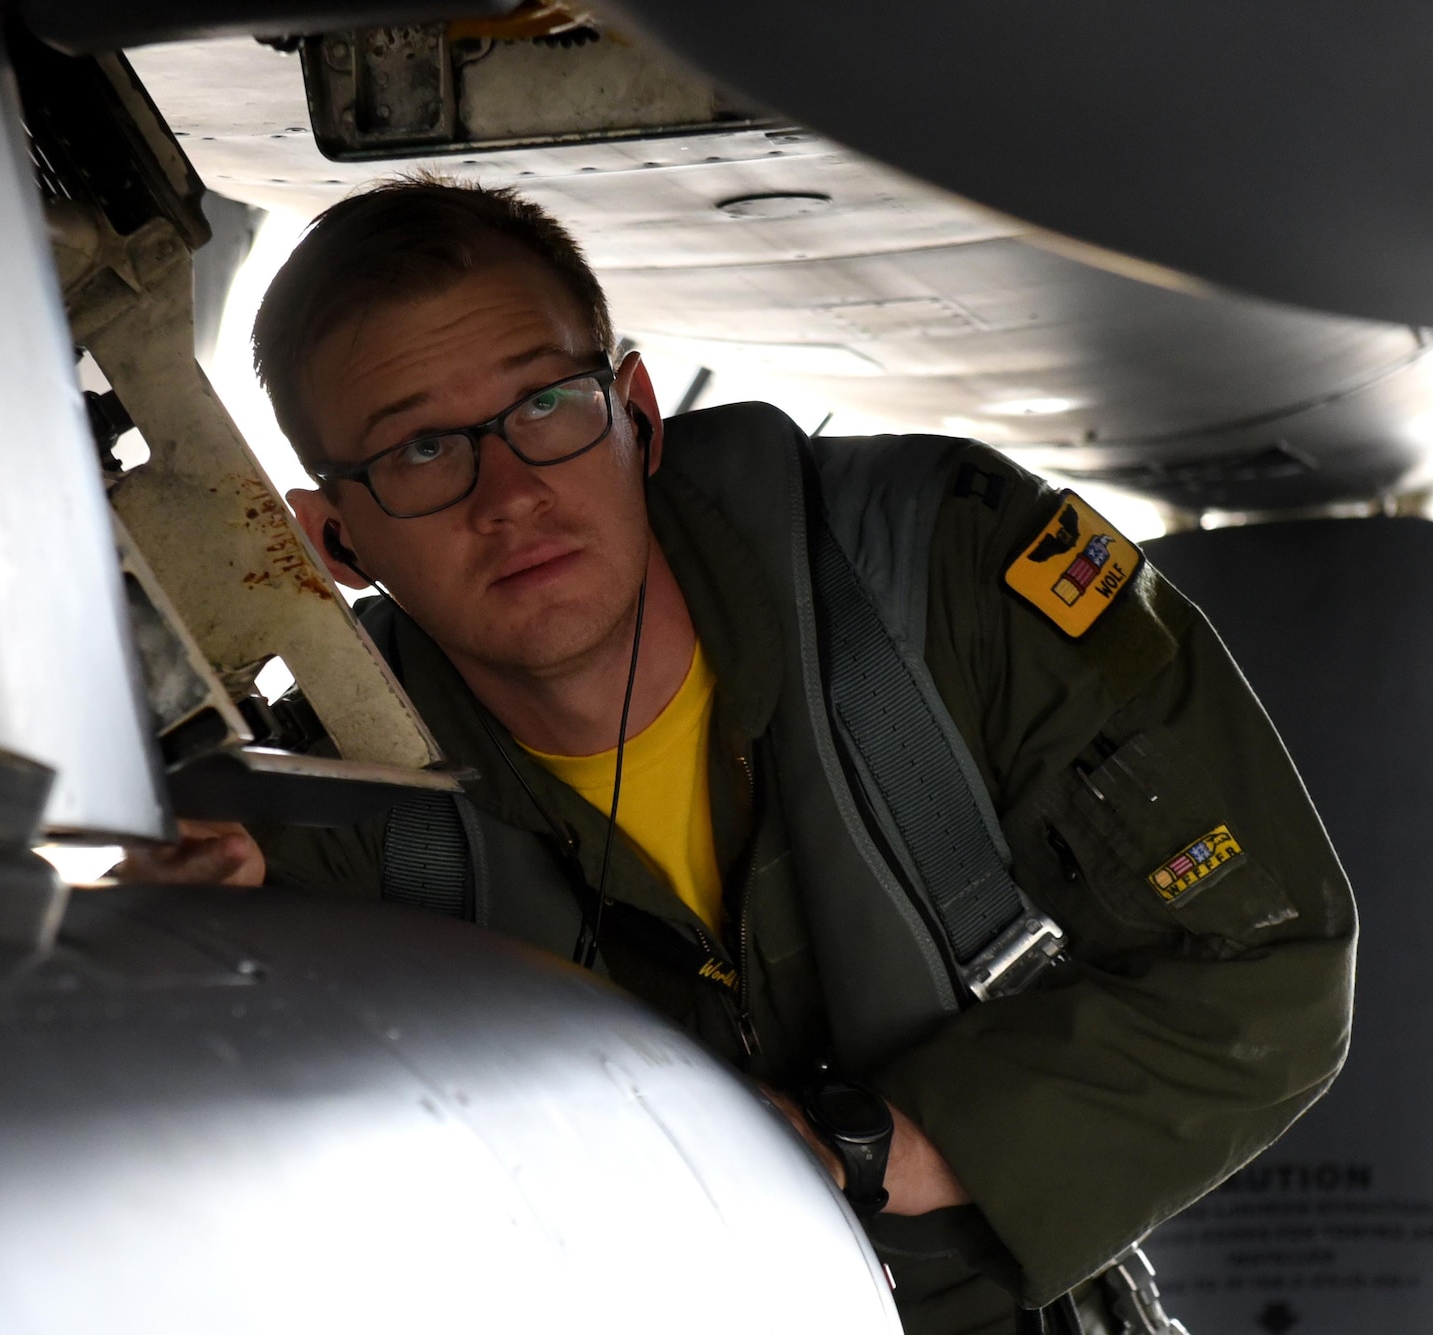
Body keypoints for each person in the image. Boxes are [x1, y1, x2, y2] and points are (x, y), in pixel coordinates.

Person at [119, 178, 1355, 1333]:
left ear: (637, 414)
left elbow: (1262, 963)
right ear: (335, 541)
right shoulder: (323, 811)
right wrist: (190, 955)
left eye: (545, 405)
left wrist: (869, 1148)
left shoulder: (937, 585)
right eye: (419, 452)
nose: (508, 495)